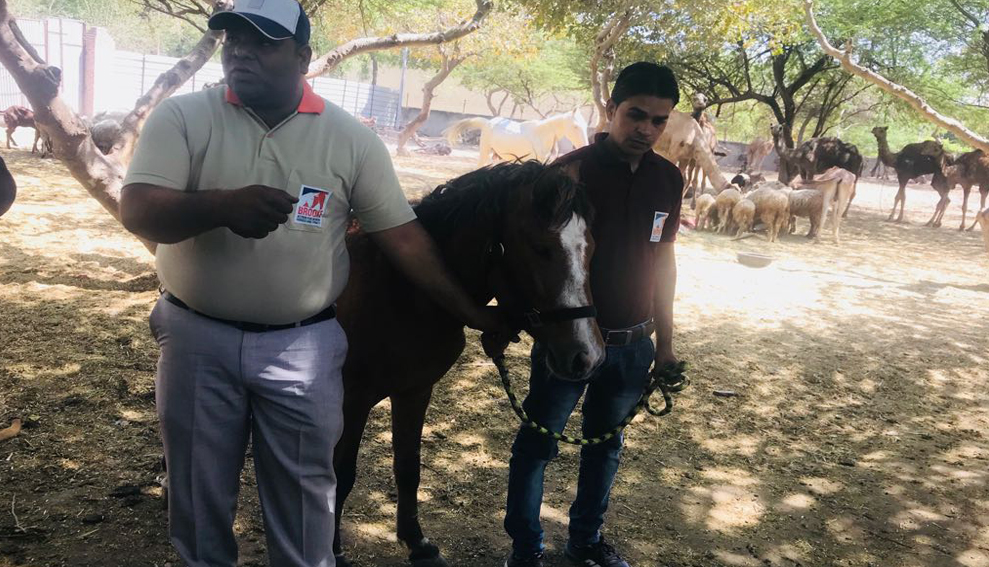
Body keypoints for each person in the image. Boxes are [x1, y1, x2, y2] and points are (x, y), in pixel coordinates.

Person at [118, 1, 507, 565]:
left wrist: (471, 312)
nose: (242, 52)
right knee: (199, 496)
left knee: (305, 500)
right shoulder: (183, 118)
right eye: (234, 40)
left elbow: (403, 237)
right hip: (198, 337)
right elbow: (139, 210)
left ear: (302, 57)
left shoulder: (351, 140)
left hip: (303, 345)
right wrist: (220, 207)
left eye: (264, 42)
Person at [501, 62, 683, 567]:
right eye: (636, 115)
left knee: (606, 448)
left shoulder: (669, 179)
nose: (646, 129)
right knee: (538, 444)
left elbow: (663, 261)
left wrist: (664, 345)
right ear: (611, 110)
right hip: (570, 341)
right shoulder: (568, 174)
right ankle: (525, 548)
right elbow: (530, 259)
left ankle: (585, 541)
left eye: (659, 121)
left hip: (633, 345)